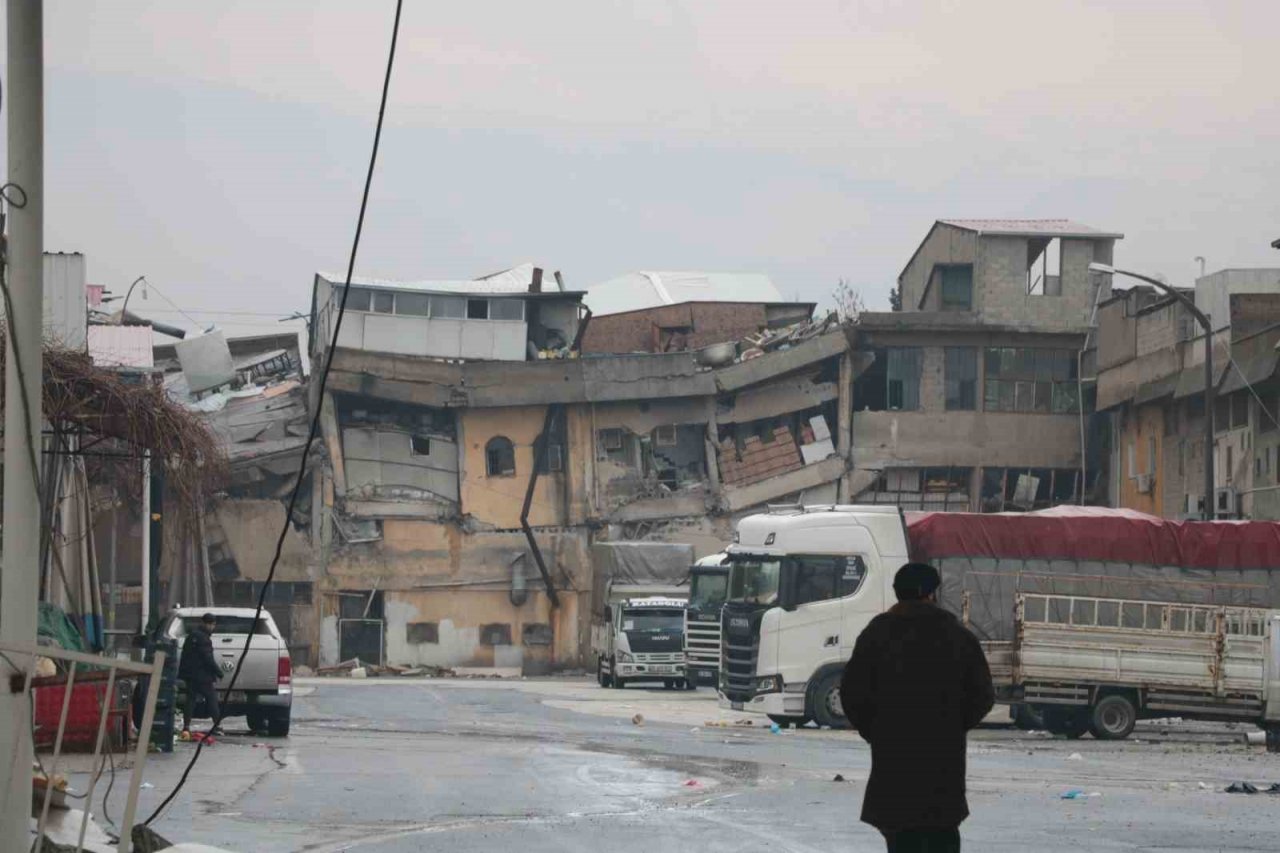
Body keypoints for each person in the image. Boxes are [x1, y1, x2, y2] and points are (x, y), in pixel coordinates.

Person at [841, 563, 994, 853]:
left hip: (893, 762)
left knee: (901, 840)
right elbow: (983, 696)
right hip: (942, 765)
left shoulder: (876, 634)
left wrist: (877, 731)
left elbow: (852, 694)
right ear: (929, 594)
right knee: (941, 837)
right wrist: (952, 725)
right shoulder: (957, 636)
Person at [180, 612, 225, 737]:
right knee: (212, 699)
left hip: (190, 675)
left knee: (190, 700)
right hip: (202, 676)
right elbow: (207, 658)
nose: (213, 628)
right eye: (212, 625)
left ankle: (186, 726)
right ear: (209, 624)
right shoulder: (204, 638)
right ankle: (217, 726)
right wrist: (218, 672)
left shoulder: (192, 636)